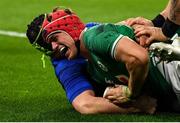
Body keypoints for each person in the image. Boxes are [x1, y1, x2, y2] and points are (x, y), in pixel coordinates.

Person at [26, 8, 179, 113]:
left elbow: (137, 57)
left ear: (65, 26)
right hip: (167, 85)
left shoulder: (90, 36)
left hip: (169, 72)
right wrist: (136, 105)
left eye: (53, 38)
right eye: (46, 48)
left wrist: (131, 94)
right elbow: (85, 104)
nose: (53, 48)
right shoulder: (66, 61)